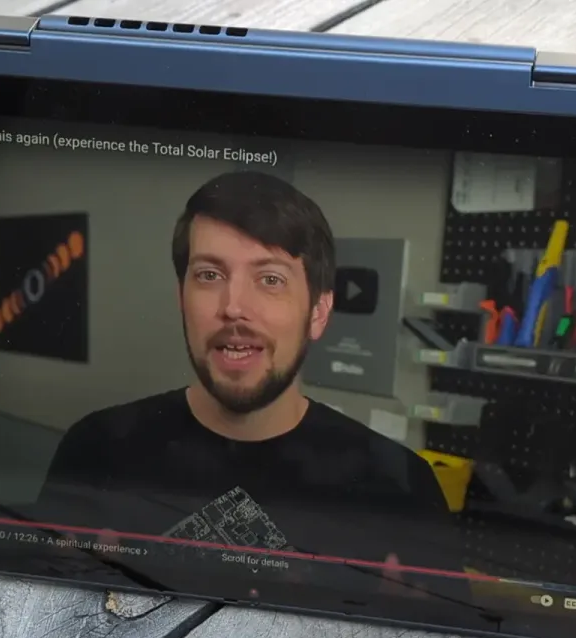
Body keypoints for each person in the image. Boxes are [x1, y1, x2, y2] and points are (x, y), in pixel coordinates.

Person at [31, 170, 468, 605]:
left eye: (270, 279)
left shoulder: (403, 487)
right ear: (181, 297)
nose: (234, 307)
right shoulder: (95, 450)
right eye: (209, 275)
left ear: (318, 312)